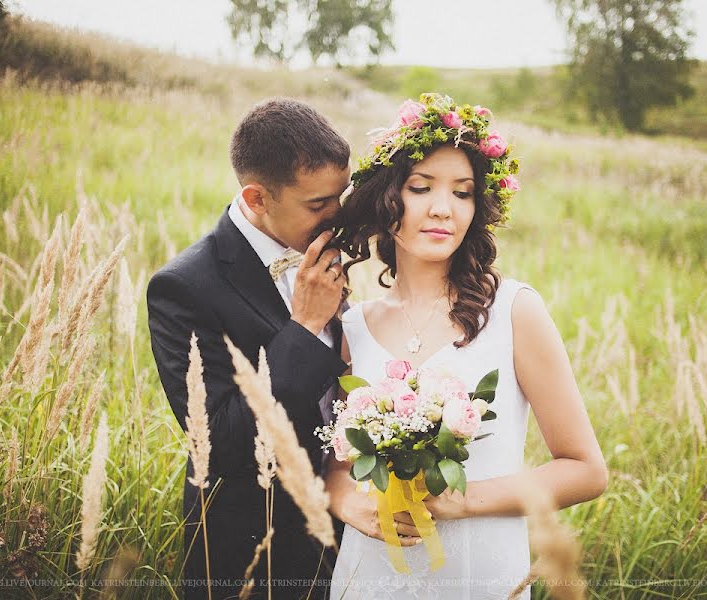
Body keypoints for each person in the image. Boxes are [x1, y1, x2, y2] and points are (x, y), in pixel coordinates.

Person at [323, 93, 609, 599]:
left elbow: (585, 470)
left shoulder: (514, 312)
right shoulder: (355, 325)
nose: (442, 209)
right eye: (420, 187)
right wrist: (348, 503)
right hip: (369, 573)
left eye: (463, 193)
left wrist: (461, 501)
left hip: (478, 572)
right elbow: (338, 467)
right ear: (388, 199)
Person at [147, 98, 360, 600]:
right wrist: (305, 326)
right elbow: (219, 440)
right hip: (256, 549)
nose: (338, 217)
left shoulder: (321, 245)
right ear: (258, 198)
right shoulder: (185, 287)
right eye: (318, 205)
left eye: (341, 195)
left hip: (349, 523)